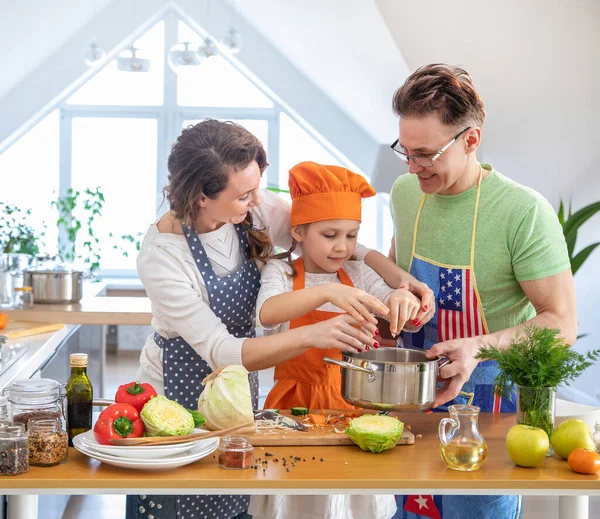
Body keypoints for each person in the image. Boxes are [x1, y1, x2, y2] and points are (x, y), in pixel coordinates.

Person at [129, 119, 433, 519]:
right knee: (179, 498)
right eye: (244, 195)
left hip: (241, 385)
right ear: (203, 197)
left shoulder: (255, 208)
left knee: (236, 496)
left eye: (258, 185)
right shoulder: (162, 256)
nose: (259, 200)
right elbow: (223, 351)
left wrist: (403, 283)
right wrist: (318, 325)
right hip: (181, 384)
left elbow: (337, 242)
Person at [381, 64, 577, 519]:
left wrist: (477, 346)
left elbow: (561, 324)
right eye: (404, 152)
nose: (412, 167)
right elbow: (398, 274)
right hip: (415, 399)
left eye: (425, 154)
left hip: (489, 409)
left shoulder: (522, 211)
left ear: (471, 140)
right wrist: (391, 303)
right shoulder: (406, 192)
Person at [249, 161, 432, 519]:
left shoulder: (360, 273)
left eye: (351, 235)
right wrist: (328, 292)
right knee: (296, 499)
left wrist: (401, 300)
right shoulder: (282, 271)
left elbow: (398, 308)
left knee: (351, 501)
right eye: (329, 235)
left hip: (355, 403)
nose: (342, 247)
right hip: (294, 406)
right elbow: (268, 312)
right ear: (299, 232)